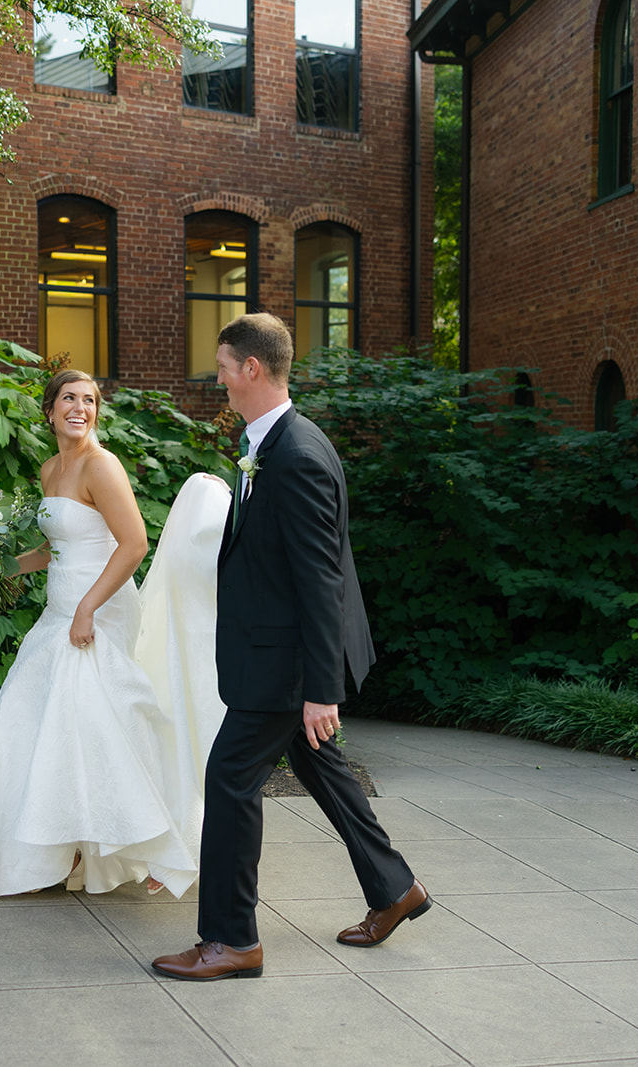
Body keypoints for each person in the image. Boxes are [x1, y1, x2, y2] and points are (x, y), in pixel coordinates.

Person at [152, 313, 430, 982]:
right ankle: (395, 889)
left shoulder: (297, 454)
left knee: (229, 779)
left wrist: (319, 688)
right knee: (318, 767)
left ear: (251, 368)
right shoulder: (271, 445)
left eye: (222, 366)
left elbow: (320, 577)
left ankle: (231, 938)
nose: (216, 378)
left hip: (281, 664)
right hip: (274, 654)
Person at [0, 368, 198, 900]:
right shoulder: (50, 469)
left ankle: (147, 841)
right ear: (49, 410)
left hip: (99, 610)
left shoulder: (102, 466)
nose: (80, 407)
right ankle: (50, 848)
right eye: (69, 398)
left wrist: (88, 609)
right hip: (60, 610)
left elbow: (134, 544)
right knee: (33, 722)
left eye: (90, 400)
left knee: (92, 726)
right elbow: (55, 549)